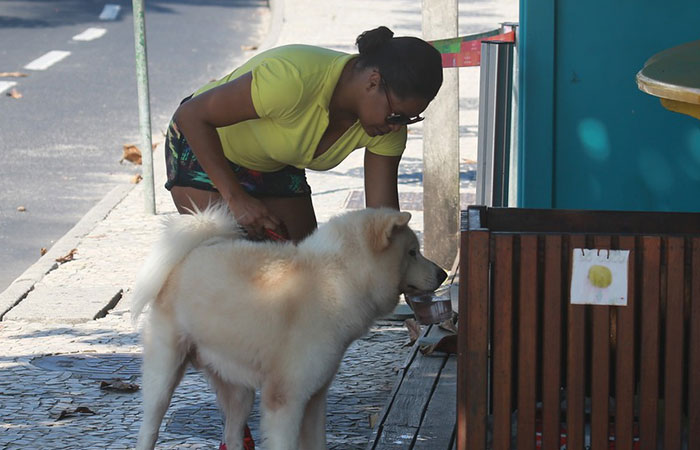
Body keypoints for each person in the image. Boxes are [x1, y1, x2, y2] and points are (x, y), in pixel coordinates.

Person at [164, 25, 443, 242]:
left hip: (273, 161)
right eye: (397, 115)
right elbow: (191, 115)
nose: (398, 126)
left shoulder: (388, 127)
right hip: (205, 145)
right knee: (229, 268)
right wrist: (235, 198)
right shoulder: (293, 78)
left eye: (410, 118)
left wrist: (408, 276)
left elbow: (383, 222)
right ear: (373, 82)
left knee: (306, 272)